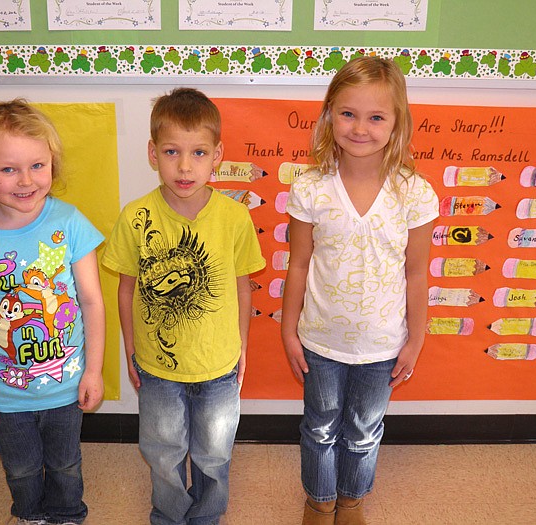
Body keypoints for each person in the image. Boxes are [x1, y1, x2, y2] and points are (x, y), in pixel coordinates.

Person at [281, 57, 439, 525]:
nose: (361, 128)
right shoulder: (311, 188)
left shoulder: (414, 193)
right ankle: (319, 500)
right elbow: (299, 265)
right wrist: (289, 332)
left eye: (376, 117)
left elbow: (417, 274)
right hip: (321, 342)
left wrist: (416, 338)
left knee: (364, 432)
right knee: (320, 428)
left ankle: (351, 500)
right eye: (348, 113)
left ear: (396, 123)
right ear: (329, 114)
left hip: (383, 346)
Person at [102, 87, 265, 525]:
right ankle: (170, 517)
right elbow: (126, 288)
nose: (185, 166)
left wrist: (242, 347)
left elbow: (243, 286)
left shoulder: (235, 217)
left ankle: (208, 516)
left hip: (219, 365)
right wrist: (131, 348)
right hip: (157, 367)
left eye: (198, 152)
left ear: (218, 156)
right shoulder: (135, 217)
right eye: (172, 151)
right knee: (163, 451)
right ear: (153, 153)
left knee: (213, 453)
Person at [0, 99, 105, 525]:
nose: (26, 181)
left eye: (37, 165)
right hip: (3, 390)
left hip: (65, 384)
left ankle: (69, 514)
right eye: (8, 169)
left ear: (52, 162)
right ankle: (31, 514)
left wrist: (94, 371)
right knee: (20, 468)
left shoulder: (69, 223)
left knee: (66, 464)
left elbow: (92, 301)